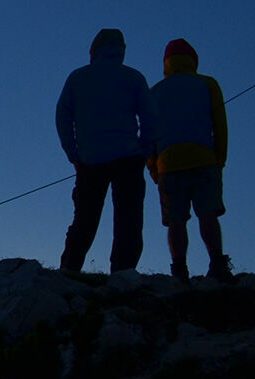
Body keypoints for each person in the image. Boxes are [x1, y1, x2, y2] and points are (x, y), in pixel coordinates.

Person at [56, 28, 158, 274]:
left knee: (85, 218)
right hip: (129, 157)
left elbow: (62, 117)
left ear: (93, 50)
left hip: (89, 160)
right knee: (129, 218)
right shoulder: (133, 77)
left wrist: (74, 154)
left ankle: (69, 269)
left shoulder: (78, 77)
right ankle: (123, 272)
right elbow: (150, 118)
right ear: (122, 50)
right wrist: (144, 151)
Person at [148, 38, 233, 284]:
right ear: (193, 60)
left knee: (175, 221)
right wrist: (220, 159)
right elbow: (220, 126)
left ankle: (179, 270)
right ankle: (217, 264)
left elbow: (148, 134)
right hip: (204, 159)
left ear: (166, 63)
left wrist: (154, 168)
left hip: (168, 163)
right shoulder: (207, 84)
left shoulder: (155, 92)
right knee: (208, 214)